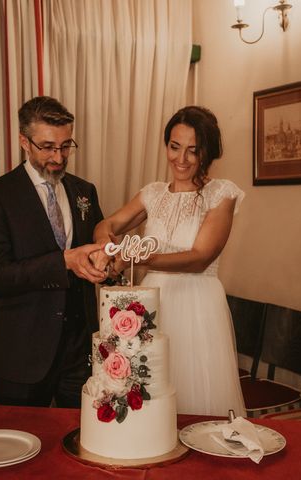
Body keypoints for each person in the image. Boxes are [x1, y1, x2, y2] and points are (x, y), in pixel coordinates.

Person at [94, 106, 247, 417]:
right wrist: (106, 251)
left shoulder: (221, 194)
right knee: (150, 390)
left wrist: (138, 256)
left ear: (208, 151)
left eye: (193, 150)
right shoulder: (152, 194)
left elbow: (200, 258)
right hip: (154, 302)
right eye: (175, 147)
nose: (182, 159)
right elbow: (107, 225)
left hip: (198, 304)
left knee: (195, 395)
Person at [0, 96, 107, 407]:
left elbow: (97, 250)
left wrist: (108, 261)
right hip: (21, 352)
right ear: (24, 141)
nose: (58, 157)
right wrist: (63, 261)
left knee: (79, 444)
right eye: (47, 147)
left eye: (65, 146)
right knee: (20, 447)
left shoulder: (84, 191)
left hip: (79, 353)